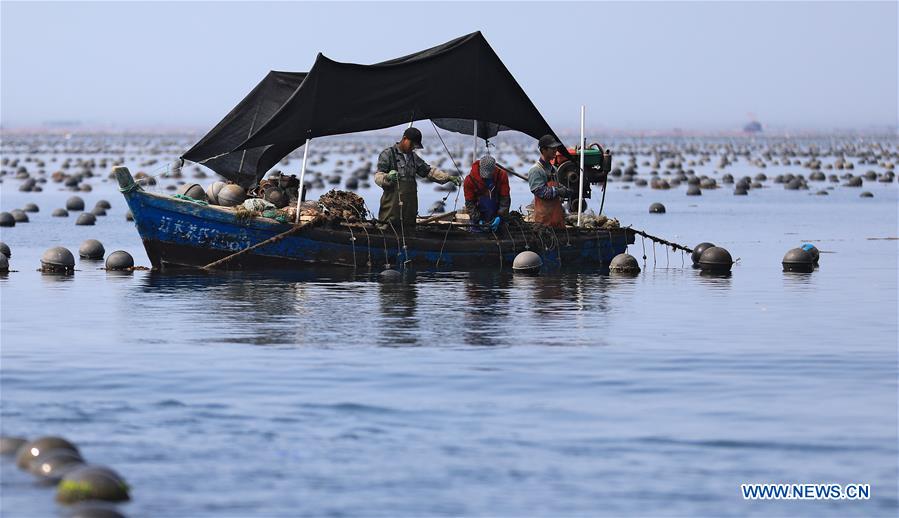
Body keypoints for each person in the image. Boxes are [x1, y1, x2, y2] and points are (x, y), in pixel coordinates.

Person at [374, 127, 461, 227]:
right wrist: (387, 177)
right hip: (391, 205)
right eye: (411, 144)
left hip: (410, 205)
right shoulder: (388, 154)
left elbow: (429, 171)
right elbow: (378, 176)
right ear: (405, 139)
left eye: (415, 146)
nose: (413, 148)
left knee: (409, 227)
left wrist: (448, 177)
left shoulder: (414, 157)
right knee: (387, 227)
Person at [527, 134, 570, 228]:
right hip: (543, 222)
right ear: (543, 150)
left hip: (556, 219)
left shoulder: (554, 169)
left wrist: (565, 191)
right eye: (552, 148)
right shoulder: (536, 170)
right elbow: (540, 191)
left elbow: (558, 186)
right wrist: (558, 191)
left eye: (556, 147)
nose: (555, 150)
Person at [463, 155, 510, 232]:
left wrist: (500, 216)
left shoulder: (502, 176)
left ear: (494, 169)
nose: (487, 177)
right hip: (478, 216)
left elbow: (505, 199)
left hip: (497, 214)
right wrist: (478, 220)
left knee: (502, 231)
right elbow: (470, 203)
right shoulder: (469, 180)